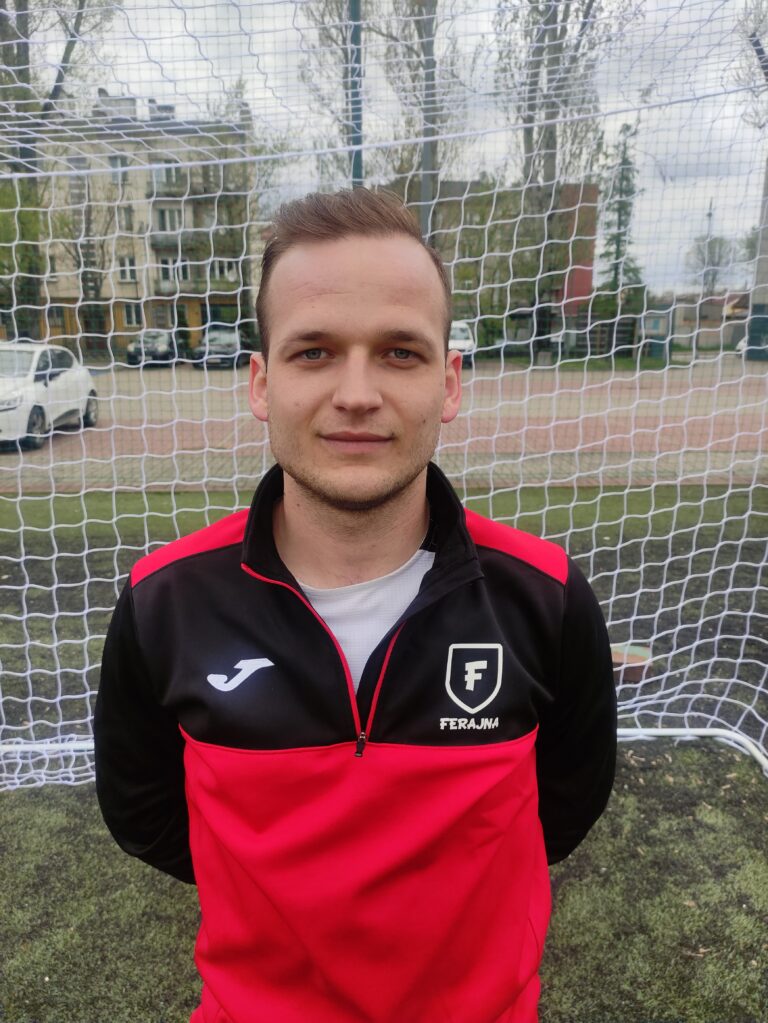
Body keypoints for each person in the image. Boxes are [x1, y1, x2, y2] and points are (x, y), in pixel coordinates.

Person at [94, 187, 617, 1023]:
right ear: (262, 382)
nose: (357, 392)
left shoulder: (543, 596)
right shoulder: (166, 603)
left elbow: (565, 803)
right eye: (315, 352)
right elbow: (145, 814)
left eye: (400, 352)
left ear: (449, 382)